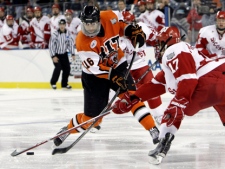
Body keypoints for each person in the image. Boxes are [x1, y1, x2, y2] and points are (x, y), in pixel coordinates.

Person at [113, 26, 225, 164]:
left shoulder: (174, 49)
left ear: (168, 41)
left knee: (175, 108)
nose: (157, 47)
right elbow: (156, 85)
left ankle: (162, 146)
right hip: (220, 78)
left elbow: (188, 80)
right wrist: (132, 99)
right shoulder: (179, 58)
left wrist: (178, 104)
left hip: (212, 79)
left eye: (159, 43)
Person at [53, 5, 160, 147]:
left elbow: (122, 27)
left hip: (117, 63)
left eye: (93, 23)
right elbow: (98, 69)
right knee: (92, 120)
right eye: (87, 24)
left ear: (98, 20)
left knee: (132, 97)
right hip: (95, 77)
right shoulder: (82, 42)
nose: (90, 28)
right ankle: (67, 130)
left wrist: (132, 32)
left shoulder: (109, 17)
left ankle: (153, 129)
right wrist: (115, 78)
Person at [121, 11, 164, 124]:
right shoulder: (116, 36)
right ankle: (96, 118)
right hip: (123, 68)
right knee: (123, 94)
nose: (129, 27)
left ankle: (159, 115)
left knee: (152, 88)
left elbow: (157, 38)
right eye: (126, 23)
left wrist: (158, 51)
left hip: (140, 65)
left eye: (131, 23)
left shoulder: (143, 28)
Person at [49, 19, 75, 90]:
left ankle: (64, 84)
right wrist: (53, 56)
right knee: (58, 68)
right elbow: (51, 45)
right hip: (56, 54)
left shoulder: (68, 34)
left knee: (67, 69)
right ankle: (53, 83)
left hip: (64, 54)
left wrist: (72, 53)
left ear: (65, 25)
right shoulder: (55, 34)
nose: (62, 26)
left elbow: (70, 44)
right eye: (60, 24)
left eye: (63, 24)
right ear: (59, 25)